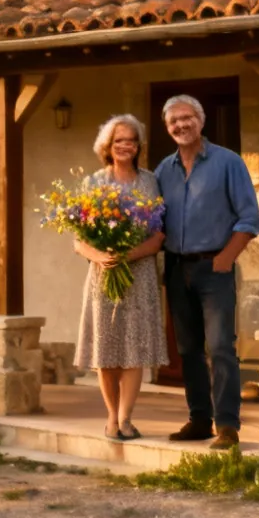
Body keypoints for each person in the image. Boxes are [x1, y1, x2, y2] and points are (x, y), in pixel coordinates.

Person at [154, 94, 259, 451]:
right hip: (176, 267)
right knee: (187, 350)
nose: (181, 125)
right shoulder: (162, 171)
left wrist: (226, 258)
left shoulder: (228, 162)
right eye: (174, 121)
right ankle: (199, 419)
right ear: (167, 127)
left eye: (187, 118)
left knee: (219, 347)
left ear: (201, 121)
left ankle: (227, 426)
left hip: (215, 266)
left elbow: (249, 218)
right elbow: (152, 222)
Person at [71, 114, 167, 441]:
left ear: (138, 146)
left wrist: (127, 255)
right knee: (106, 351)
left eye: (130, 140)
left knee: (133, 349)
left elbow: (157, 237)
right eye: (118, 141)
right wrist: (101, 256)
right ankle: (111, 417)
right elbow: (78, 239)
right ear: (107, 147)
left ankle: (126, 419)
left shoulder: (150, 182)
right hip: (103, 276)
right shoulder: (93, 183)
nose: (125, 146)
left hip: (139, 277)